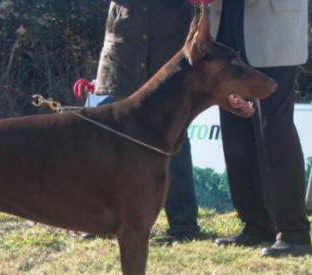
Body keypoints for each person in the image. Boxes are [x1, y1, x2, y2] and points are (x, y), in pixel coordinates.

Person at [210, 0, 312, 257]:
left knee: (274, 128)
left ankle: (294, 231)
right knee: (235, 127)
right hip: (226, 21)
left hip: (273, 27)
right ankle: (256, 224)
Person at [94, 0, 200, 244]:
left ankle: (183, 225)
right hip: (124, 51)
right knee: (109, 142)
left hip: (169, 51)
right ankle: (101, 218)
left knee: (173, 140)